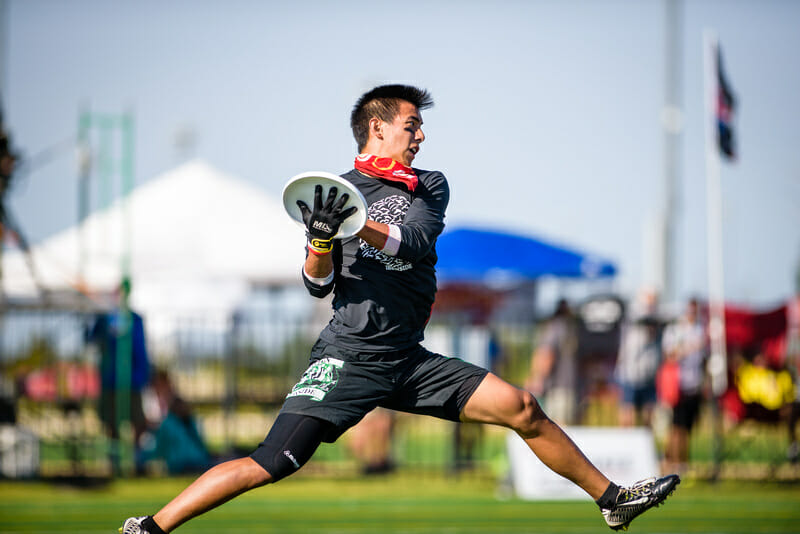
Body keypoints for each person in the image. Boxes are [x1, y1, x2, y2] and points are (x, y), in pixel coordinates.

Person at [120, 84, 678, 534]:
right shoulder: (334, 190)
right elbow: (317, 285)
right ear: (378, 127)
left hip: (408, 358)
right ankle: (150, 527)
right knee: (272, 463)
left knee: (522, 406)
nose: (420, 135)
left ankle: (611, 500)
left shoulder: (428, 185)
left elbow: (411, 244)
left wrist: (349, 221)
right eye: (412, 125)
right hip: (349, 355)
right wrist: (319, 239)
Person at [89, 278, 151, 476]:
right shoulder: (105, 318)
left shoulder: (135, 319)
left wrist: (142, 376)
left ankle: (136, 460)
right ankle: (114, 463)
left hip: (132, 381)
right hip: (110, 382)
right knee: (111, 424)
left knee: (138, 422)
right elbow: (92, 340)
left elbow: (140, 351)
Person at [660, 298, 708, 474]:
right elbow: (669, 355)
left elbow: (703, 359)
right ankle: (673, 461)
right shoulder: (675, 330)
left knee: (687, 427)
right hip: (677, 385)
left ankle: (683, 462)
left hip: (693, 385)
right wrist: (688, 348)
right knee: (676, 426)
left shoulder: (700, 330)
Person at [526, 299, 580, 425]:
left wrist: (537, 378)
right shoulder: (567, 328)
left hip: (556, 387)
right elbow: (548, 354)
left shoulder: (555, 328)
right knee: (563, 427)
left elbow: (546, 354)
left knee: (555, 428)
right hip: (564, 385)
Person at [614, 289, 663, 427]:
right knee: (628, 414)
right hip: (630, 376)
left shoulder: (657, 321)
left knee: (649, 415)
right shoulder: (634, 317)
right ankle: (625, 445)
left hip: (649, 377)